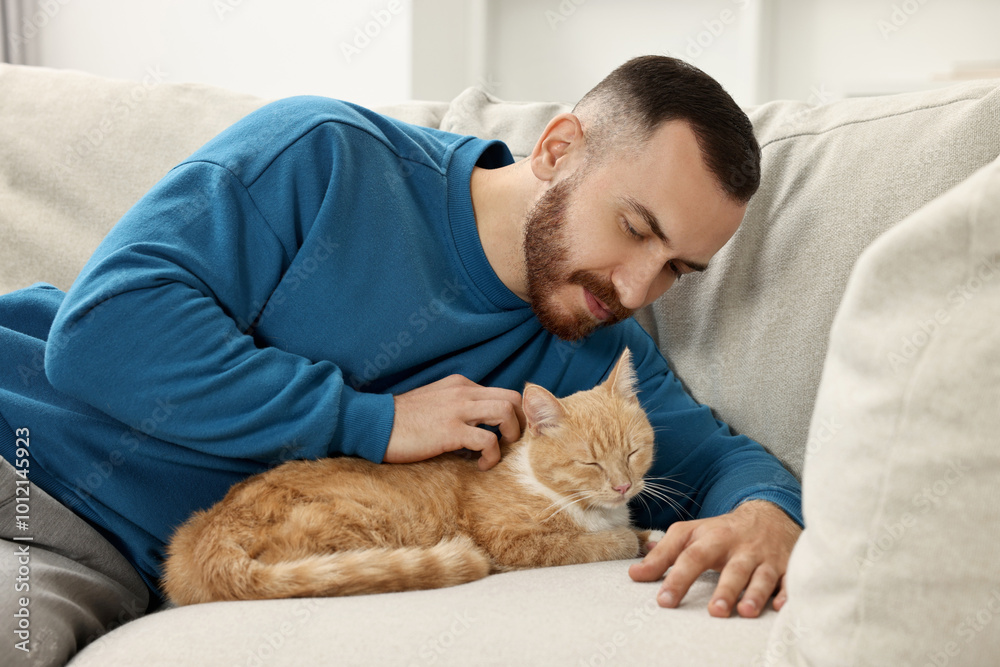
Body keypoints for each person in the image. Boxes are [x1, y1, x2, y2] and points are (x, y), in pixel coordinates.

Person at [0, 55, 802, 666]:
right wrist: (372, 419)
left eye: (675, 269)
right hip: (28, 456)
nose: (636, 286)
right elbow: (102, 334)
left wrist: (768, 515)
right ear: (559, 149)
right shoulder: (327, 157)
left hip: (149, 562)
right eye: (633, 226)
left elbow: (721, 465)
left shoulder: (591, 343)